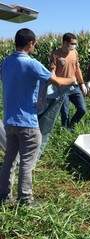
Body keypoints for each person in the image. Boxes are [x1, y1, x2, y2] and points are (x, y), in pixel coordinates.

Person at [0, 28, 76, 205]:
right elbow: (56, 81)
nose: (34, 46)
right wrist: (72, 80)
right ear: (30, 44)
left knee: (9, 159)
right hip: (27, 121)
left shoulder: (6, 62)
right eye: (34, 44)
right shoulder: (31, 63)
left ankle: (4, 196)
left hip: (9, 121)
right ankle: (25, 199)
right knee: (27, 161)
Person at [49, 33, 87, 129]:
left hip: (74, 87)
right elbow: (52, 71)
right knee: (65, 113)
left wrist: (82, 83)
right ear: (65, 43)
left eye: (75, 44)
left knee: (82, 109)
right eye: (72, 43)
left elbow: (77, 69)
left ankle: (71, 126)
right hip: (61, 88)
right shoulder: (56, 54)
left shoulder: (74, 53)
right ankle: (65, 131)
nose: (74, 45)